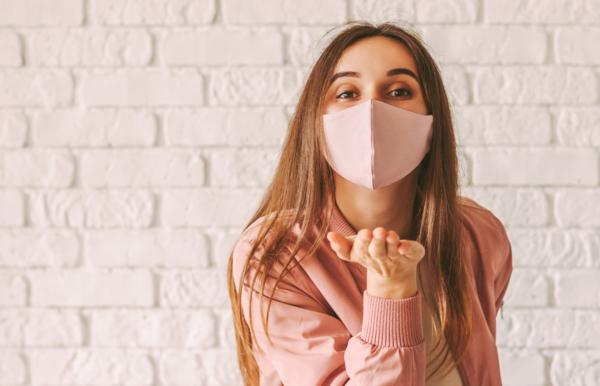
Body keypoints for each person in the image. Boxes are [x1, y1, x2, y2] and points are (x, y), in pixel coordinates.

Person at [227, 20, 513, 386]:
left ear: (432, 121)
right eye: (347, 94)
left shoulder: (478, 235)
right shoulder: (276, 256)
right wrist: (389, 289)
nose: (372, 110)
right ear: (316, 124)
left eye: (398, 91)